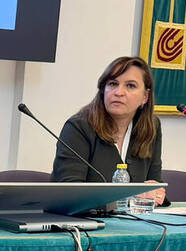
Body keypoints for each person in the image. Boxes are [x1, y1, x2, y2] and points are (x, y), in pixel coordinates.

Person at [50, 55, 166, 204]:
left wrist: (155, 193)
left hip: (134, 217)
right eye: (112, 84)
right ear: (103, 90)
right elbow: (69, 192)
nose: (119, 92)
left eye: (130, 86)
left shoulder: (151, 127)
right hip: (83, 217)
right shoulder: (78, 127)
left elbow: (155, 184)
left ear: (145, 96)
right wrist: (132, 197)